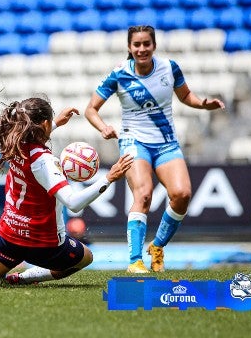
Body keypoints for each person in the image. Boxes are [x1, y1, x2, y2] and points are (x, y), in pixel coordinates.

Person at [0, 97, 133, 289]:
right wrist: (109, 178)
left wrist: (55, 123)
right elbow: (73, 202)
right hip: (43, 245)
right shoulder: (44, 161)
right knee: (85, 256)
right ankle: (24, 277)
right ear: (43, 124)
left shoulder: (14, 144)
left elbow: (31, 138)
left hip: (9, 236)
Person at [84, 25, 226, 274]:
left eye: (146, 44)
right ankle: (135, 261)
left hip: (166, 143)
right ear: (129, 47)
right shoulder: (119, 74)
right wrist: (103, 127)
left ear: (154, 45)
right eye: (136, 45)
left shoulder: (169, 68)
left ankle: (157, 246)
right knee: (144, 194)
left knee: (182, 194)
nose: (141, 49)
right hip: (133, 141)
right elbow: (90, 109)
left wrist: (204, 104)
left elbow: (186, 96)